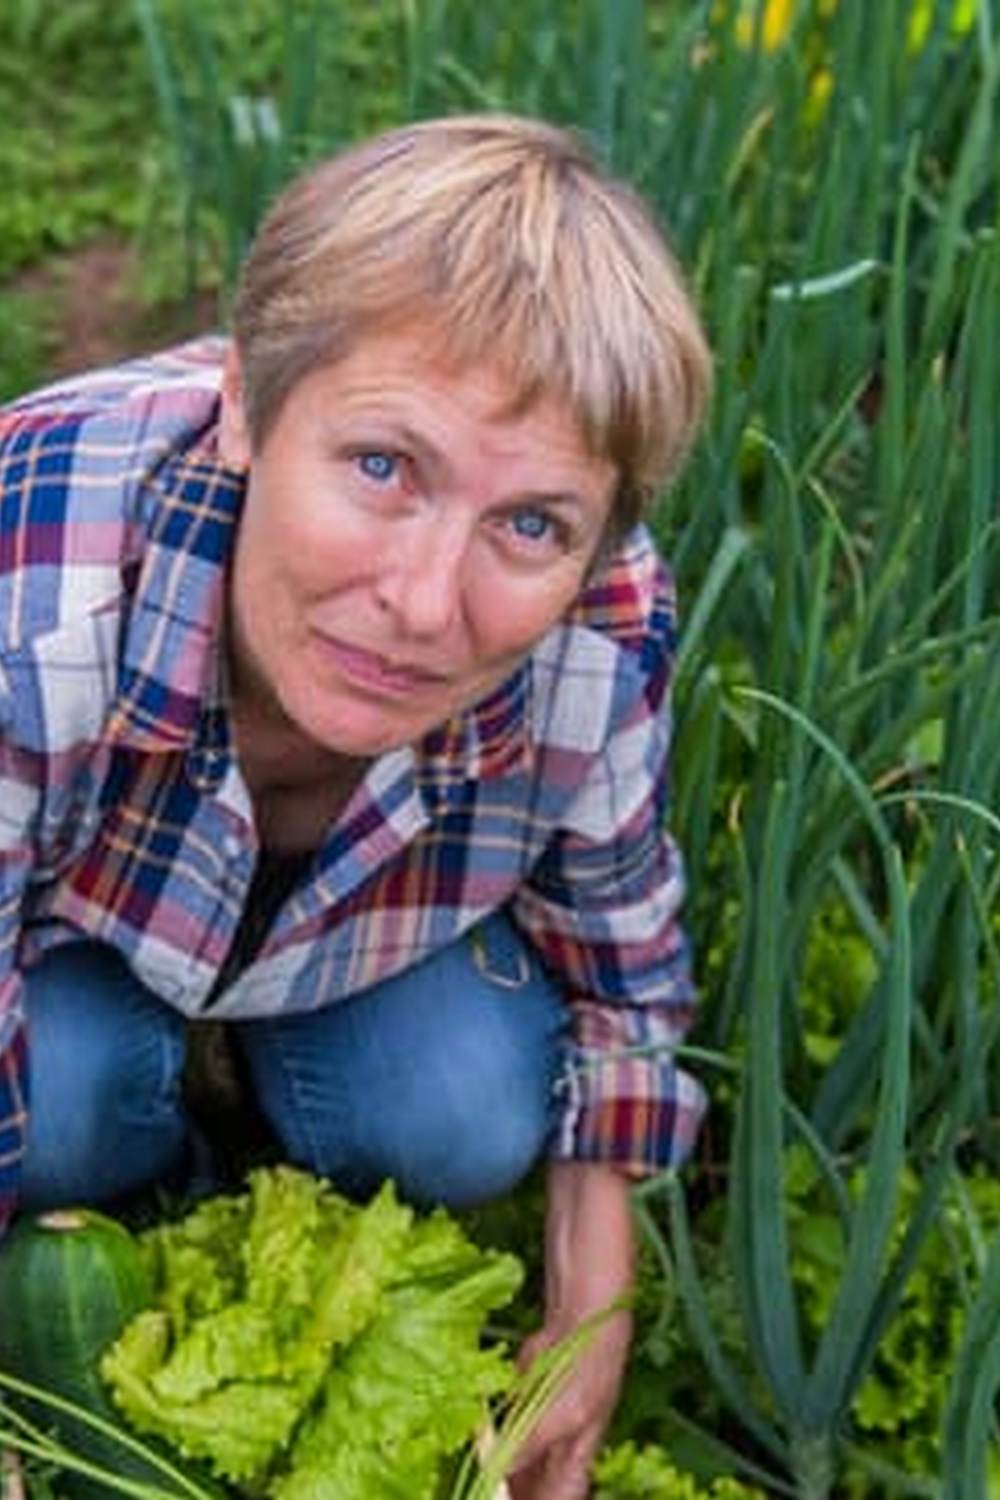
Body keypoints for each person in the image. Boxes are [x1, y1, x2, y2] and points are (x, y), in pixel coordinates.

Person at [0, 114, 710, 1497]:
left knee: (463, 1110)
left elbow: (620, 957)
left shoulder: (604, 627)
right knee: (65, 1101)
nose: (426, 605)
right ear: (245, 408)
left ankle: (264, 1092)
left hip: (354, 947)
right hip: (68, 940)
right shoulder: (35, 586)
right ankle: (140, 1144)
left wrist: (592, 1313)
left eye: (531, 524)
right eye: (384, 466)